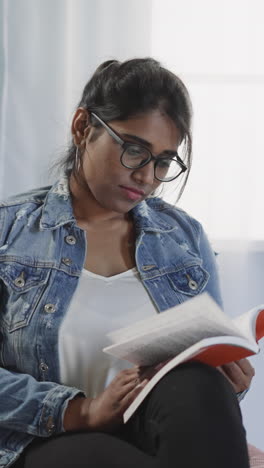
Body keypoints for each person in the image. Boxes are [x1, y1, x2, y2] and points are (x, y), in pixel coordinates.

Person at [0, 58, 254, 468]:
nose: (148, 177)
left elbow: (202, 376)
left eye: (164, 161)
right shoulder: (8, 231)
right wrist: (80, 411)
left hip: (157, 431)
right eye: (135, 150)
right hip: (48, 437)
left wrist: (229, 379)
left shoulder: (183, 238)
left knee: (199, 383)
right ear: (83, 127)